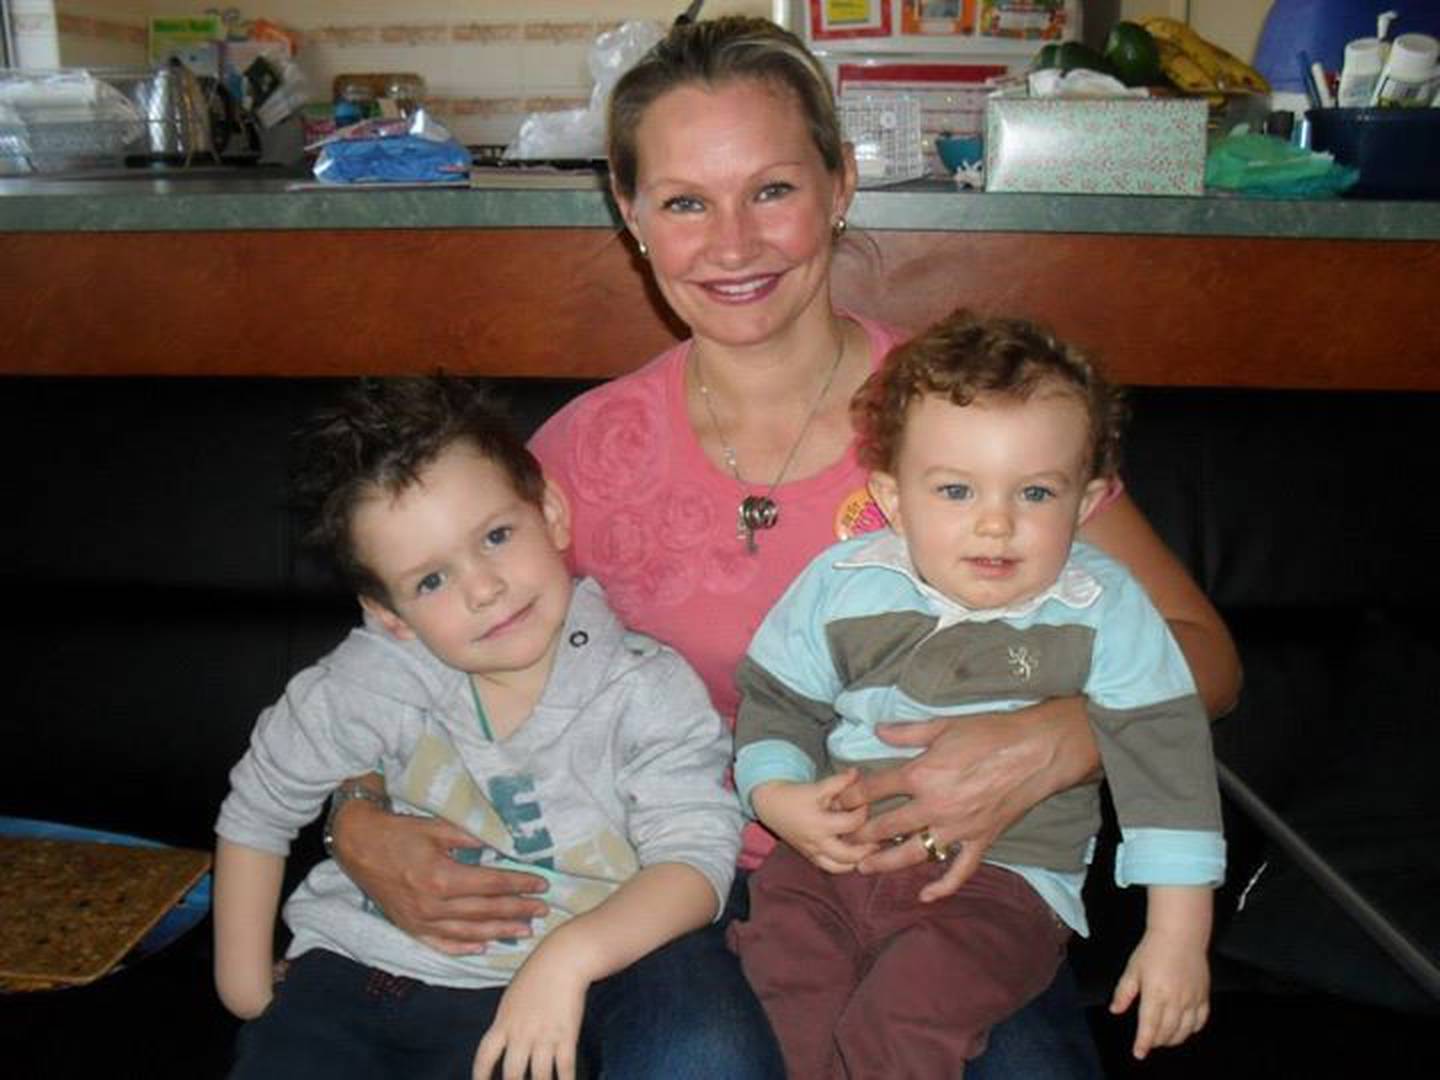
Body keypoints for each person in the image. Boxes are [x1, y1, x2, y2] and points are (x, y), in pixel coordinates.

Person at [327, 16, 1242, 1077]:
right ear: (630, 216)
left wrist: (1057, 737)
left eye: (771, 190)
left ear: (841, 183)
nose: (732, 244)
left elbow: (1200, 653)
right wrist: (357, 818)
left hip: (955, 880)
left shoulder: (977, 430)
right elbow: (404, 649)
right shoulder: (575, 457)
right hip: (668, 874)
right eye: (683, 202)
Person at [728, 310, 1225, 1076]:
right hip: (825, 866)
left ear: (1086, 503)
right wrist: (776, 794)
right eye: (956, 491)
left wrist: (1177, 938)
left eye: (1034, 493)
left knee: (899, 1028)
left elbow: (1169, 767)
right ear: (893, 500)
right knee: (781, 1016)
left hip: (998, 887)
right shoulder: (845, 583)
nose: (995, 525)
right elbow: (777, 702)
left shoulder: (1105, 611)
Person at [212, 377, 744, 1080]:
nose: (483, 588)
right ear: (388, 613)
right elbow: (257, 807)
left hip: (527, 1004)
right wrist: (247, 992)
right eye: (431, 580)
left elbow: (697, 863)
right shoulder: (368, 680)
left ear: (550, 512)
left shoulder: (645, 689)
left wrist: (568, 962)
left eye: (496, 536)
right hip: (341, 977)